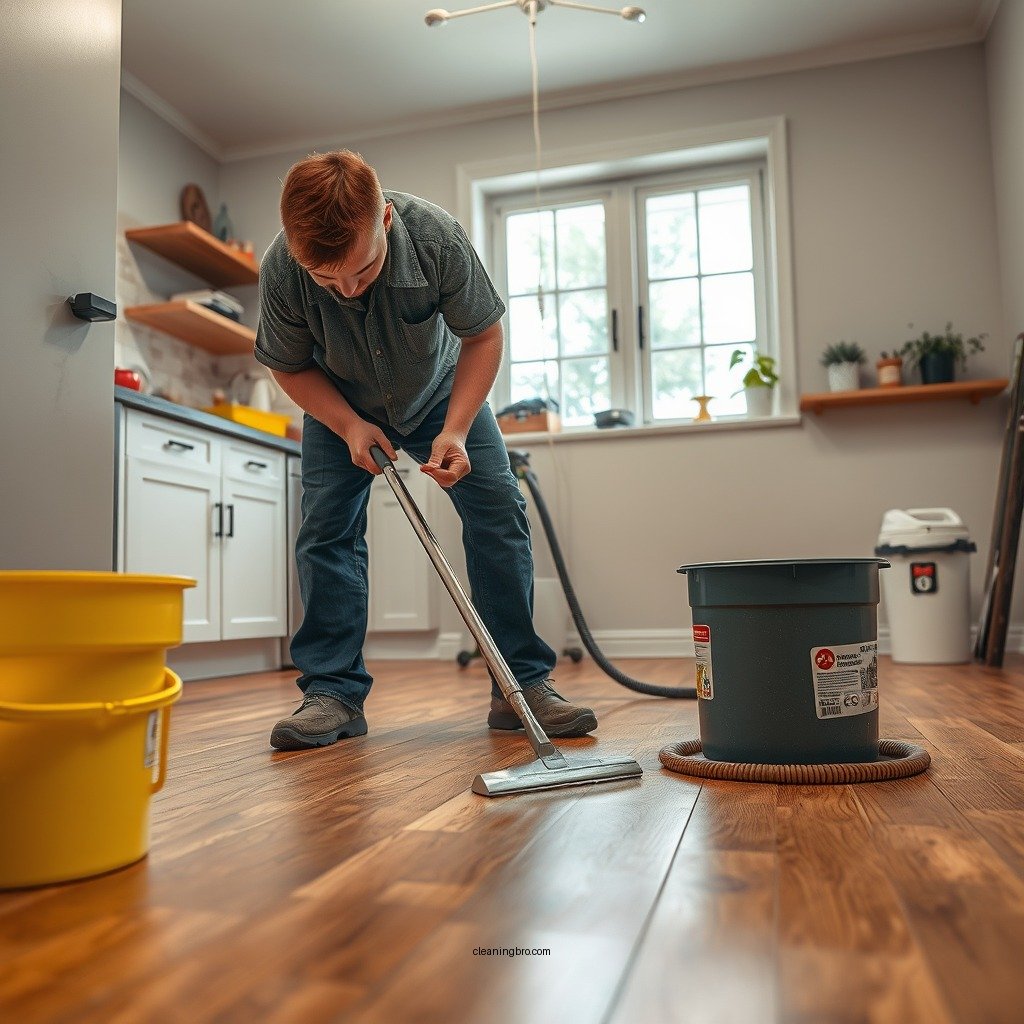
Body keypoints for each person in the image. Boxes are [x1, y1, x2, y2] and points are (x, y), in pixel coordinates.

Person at [255, 149, 598, 750]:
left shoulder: (435, 235)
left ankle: (521, 685)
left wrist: (458, 428)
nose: (346, 288)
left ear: (384, 219)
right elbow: (289, 366)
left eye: (360, 271)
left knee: (498, 512)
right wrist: (347, 425)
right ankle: (332, 693)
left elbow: (484, 335)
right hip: (339, 402)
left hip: (442, 393)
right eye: (325, 279)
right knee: (326, 530)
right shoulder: (282, 268)